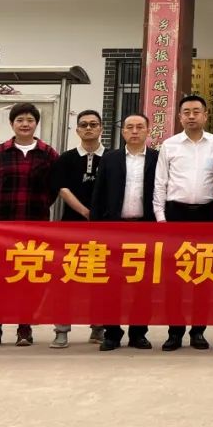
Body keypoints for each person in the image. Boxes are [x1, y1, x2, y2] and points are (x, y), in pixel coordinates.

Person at [0, 102, 59, 348]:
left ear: (36, 124)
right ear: (12, 123)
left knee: (29, 275)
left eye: (30, 120)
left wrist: (41, 204)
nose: (25, 124)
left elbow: (53, 189)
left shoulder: (48, 154)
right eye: (20, 120)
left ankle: (24, 327)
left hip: (34, 222)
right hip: (1, 223)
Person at [153, 94, 213, 352]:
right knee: (174, 278)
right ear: (179, 116)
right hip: (176, 214)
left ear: (206, 115)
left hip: (205, 214)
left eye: (196, 111)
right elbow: (160, 182)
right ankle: (175, 331)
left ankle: (198, 331)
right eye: (186, 112)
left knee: (203, 275)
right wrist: (161, 217)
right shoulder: (169, 145)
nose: (191, 116)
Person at [91, 113, 159, 351]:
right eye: (129, 127)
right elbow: (98, 194)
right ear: (122, 132)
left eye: (140, 127)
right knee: (112, 284)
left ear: (148, 130)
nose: (135, 131)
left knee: (143, 284)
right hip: (115, 229)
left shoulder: (157, 158)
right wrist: (96, 229)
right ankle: (112, 333)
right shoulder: (110, 159)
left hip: (146, 228)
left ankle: (138, 333)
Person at [50, 109, 106, 349]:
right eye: (84, 125)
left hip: (103, 230)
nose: (89, 128)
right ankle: (61, 330)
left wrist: (100, 214)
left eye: (93, 124)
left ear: (101, 128)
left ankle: (99, 327)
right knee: (67, 280)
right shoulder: (66, 158)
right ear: (77, 130)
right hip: (71, 228)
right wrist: (85, 212)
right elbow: (62, 189)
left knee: (101, 280)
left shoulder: (112, 157)